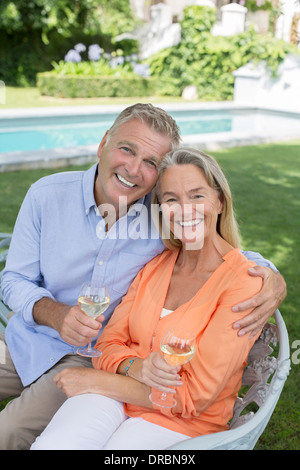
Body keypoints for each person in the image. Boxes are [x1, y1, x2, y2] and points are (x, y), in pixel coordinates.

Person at [1, 105, 285, 450]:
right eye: (126, 149)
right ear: (104, 142)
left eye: (151, 163)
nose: (134, 169)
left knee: (9, 430)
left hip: (88, 359)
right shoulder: (47, 195)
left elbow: (223, 254)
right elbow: (13, 279)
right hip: (27, 339)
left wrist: (269, 274)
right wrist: (56, 315)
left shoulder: (162, 217)